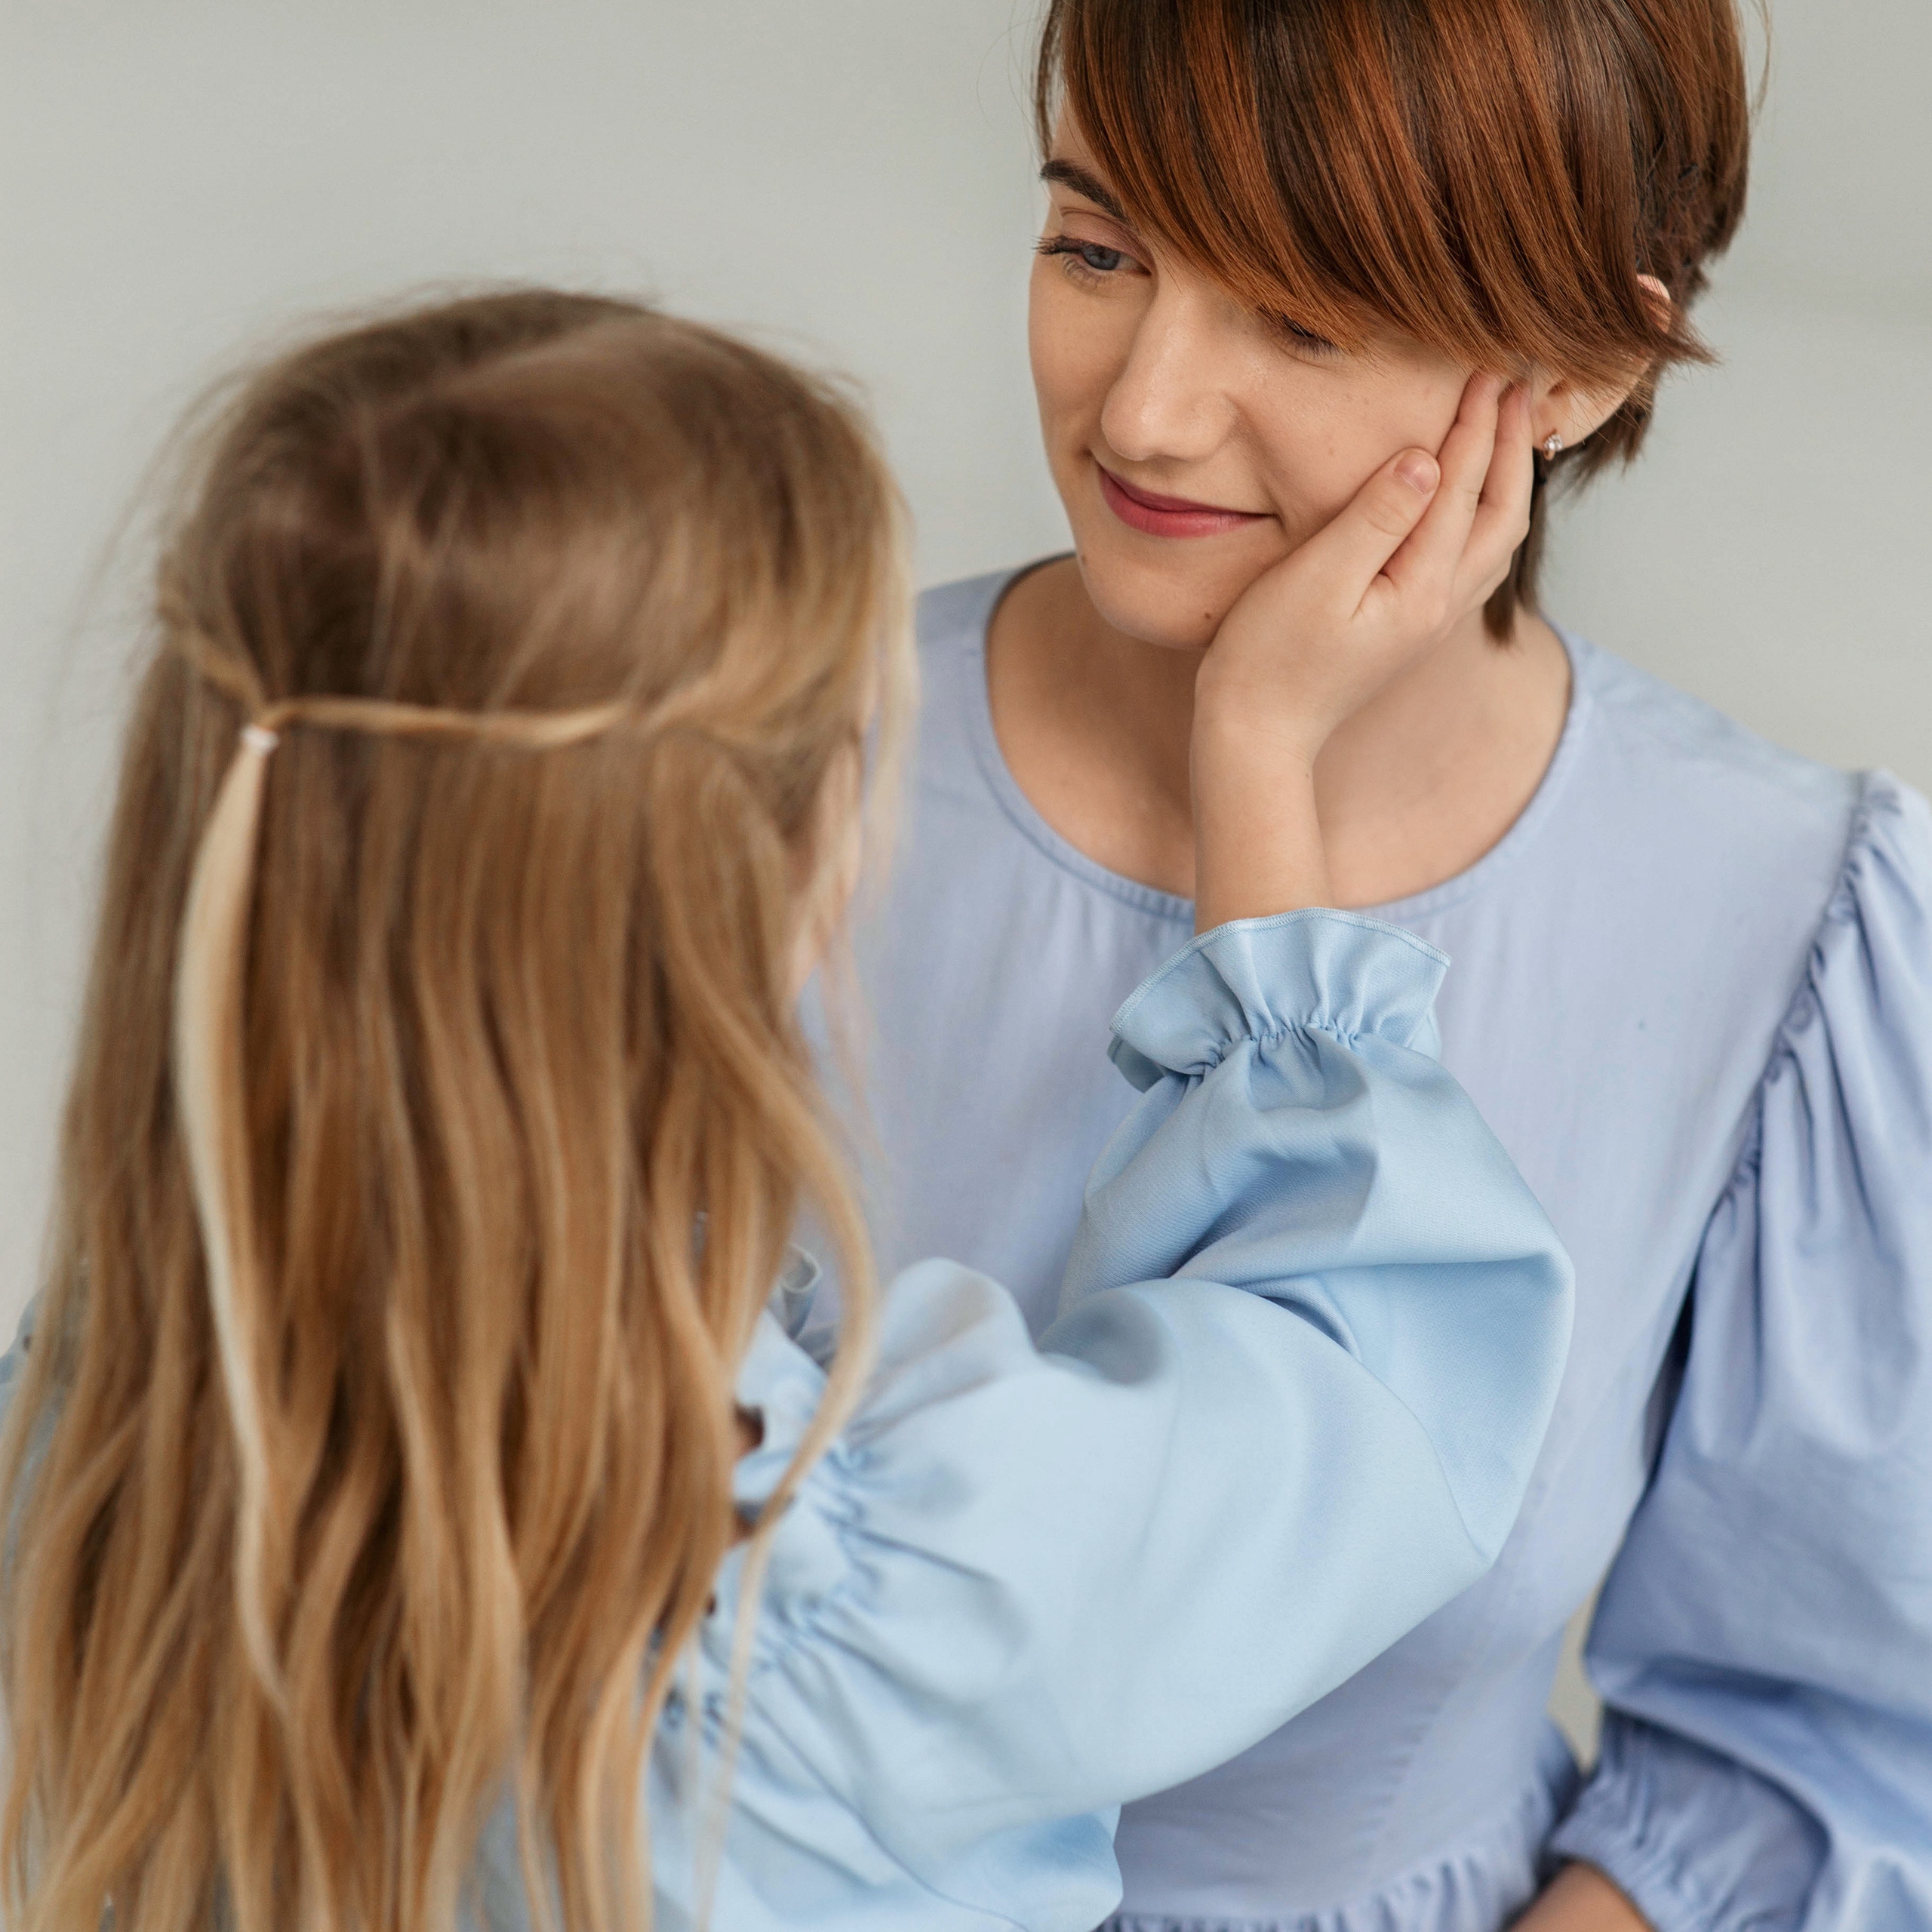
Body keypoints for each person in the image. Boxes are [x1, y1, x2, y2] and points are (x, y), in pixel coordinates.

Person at [0, 289, 1571, 1932]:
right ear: (760, 872)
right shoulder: (837, 1606)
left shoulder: (88, 1434)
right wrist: (1256, 749)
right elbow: (1365, 1365)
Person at [840, 2, 1932, 1929]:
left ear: (1577, 365)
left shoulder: (1780, 918)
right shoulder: (734, 777)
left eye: (1300, 316)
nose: (1145, 411)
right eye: (1095, 248)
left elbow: (1803, 1757)